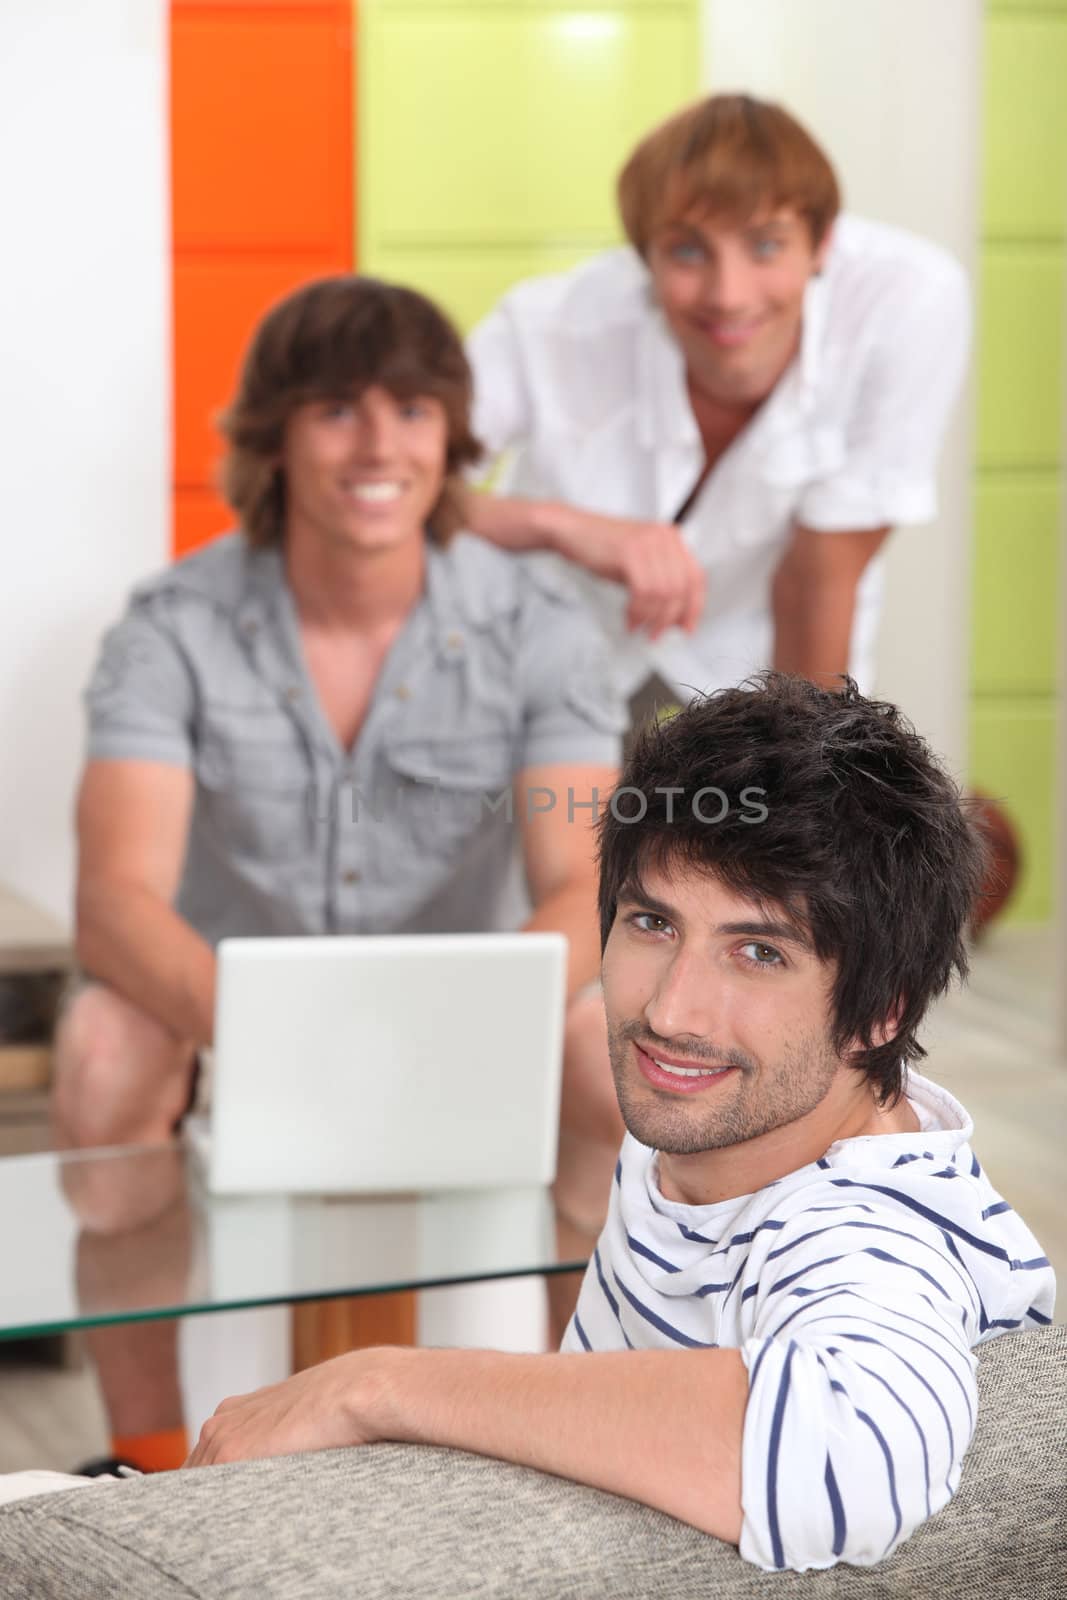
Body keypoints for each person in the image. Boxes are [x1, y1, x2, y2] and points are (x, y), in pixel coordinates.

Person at [173, 674, 1054, 1573]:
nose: (672, 1011)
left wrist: (375, 1383)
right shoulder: (708, 1138)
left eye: (759, 952)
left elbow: (845, 1463)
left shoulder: (869, 1235)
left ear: (880, 1013)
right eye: (652, 923)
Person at [50, 274, 625, 1474]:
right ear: (275, 437)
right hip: (221, 1005)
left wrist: (488, 1015)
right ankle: (147, 1463)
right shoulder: (172, 626)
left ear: (451, 441)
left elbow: (582, 886)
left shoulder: (544, 631)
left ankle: (579, 1422)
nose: (379, 445)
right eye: (337, 410)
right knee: (102, 1051)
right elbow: (115, 903)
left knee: (601, 1054)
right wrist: (268, 1035)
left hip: (468, 1008)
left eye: (413, 411)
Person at [460, 93, 970, 700]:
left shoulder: (905, 304)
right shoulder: (549, 326)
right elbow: (405, 499)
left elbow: (819, 574)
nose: (729, 295)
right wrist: (562, 526)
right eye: (687, 250)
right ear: (644, 255)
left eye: (765, 246)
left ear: (822, 244)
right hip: (543, 653)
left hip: (751, 668)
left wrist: (800, 775)